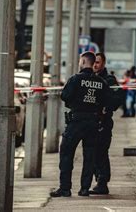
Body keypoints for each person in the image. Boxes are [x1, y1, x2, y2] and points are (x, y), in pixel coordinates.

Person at [50, 51, 111, 197]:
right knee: (89, 155)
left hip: (76, 121)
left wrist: (76, 102)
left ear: (83, 62)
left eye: (80, 61)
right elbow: (108, 102)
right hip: (93, 122)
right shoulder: (101, 83)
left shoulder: (75, 79)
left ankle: (65, 188)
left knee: (66, 152)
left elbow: (65, 96)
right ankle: (84, 188)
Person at [90, 53, 122, 195]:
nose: (95, 65)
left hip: (103, 121)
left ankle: (102, 182)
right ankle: (98, 179)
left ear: (103, 63)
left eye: (97, 62)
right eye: (93, 62)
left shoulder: (109, 80)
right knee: (92, 152)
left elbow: (116, 99)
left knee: (101, 152)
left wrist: (104, 107)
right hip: (90, 121)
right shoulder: (89, 78)